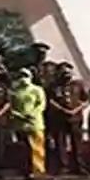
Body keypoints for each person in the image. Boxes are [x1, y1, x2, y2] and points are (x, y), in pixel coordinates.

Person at [47, 63, 88, 176]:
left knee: (77, 143)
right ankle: (63, 166)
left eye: (68, 71)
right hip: (59, 118)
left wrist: (76, 110)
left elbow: (86, 100)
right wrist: (61, 109)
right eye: (64, 72)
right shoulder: (54, 86)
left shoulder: (78, 84)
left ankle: (79, 166)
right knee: (61, 143)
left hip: (75, 118)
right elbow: (50, 100)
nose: (66, 74)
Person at [11, 68, 46, 180]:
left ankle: (38, 170)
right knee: (23, 149)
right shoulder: (15, 91)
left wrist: (32, 114)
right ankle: (26, 171)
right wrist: (20, 115)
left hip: (35, 122)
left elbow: (41, 104)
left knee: (37, 148)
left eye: (25, 75)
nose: (23, 78)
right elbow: (11, 106)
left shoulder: (37, 90)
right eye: (21, 76)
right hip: (20, 123)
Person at [30, 42, 60, 171]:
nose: (40, 55)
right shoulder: (30, 68)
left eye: (43, 53)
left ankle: (55, 165)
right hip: (35, 106)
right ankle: (38, 165)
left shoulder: (52, 67)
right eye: (38, 53)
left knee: (54, 135)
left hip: (51, 105)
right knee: (38, 135)